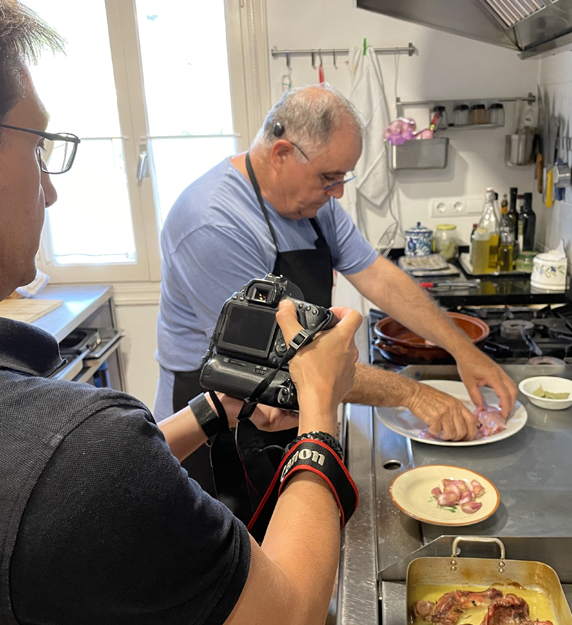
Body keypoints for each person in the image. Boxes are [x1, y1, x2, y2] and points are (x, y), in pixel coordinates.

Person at [0, 2, 363, 625]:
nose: (50, 193)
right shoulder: (70, 451)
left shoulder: (1, 434)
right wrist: (319, 412)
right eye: (39, 148)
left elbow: (65, 500)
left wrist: (210, 410)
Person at [154, 85, 518, 512]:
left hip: (285, 405)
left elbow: (378, 275)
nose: (339, 192)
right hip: (218, 425)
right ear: (282, 153)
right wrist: (414, 394)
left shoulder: (310, 202)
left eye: (342, 177)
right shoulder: (213, 223)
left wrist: (462, 350)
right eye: (330, 178)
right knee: (238, 554)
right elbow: (283, 362)